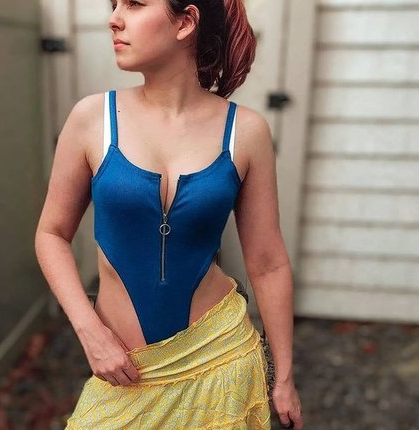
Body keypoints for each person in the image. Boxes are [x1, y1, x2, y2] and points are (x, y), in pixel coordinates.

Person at [34, 0, 303, 428]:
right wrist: (90, 330)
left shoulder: (246, 131)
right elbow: (51, 234)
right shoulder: (92, 119)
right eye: (115, 5)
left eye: (135, 4)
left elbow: (268, 263)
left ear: (186, 22)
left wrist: (283, 377)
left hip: (220, 359)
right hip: (128, 376)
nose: (114, 19)